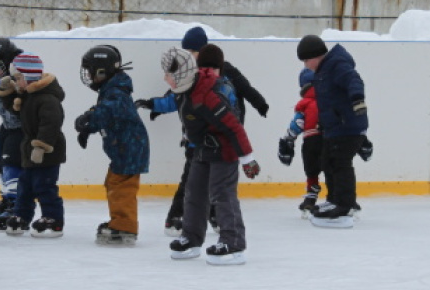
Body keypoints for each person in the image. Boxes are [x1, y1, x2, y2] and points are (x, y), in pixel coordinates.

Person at [136, 26, 269, 235]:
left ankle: (213, 216)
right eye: (185, 52)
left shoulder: (225, 70)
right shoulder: (188, 74)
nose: (187, 56)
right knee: (192, 181)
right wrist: (155, 106)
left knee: (217, 182)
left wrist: (260, 104)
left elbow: (245, 88)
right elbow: (174, 97)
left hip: (224, 138)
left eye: (191, 51)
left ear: (202, 50)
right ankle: (176, 217)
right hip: (196, 140)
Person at [160, 45, 260, 266]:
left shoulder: (208, 96)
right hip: (201, 150)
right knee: (194, 193)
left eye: (168, 74)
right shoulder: (184, 91)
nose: (165, 78)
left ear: (181, 74)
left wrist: (247, 159)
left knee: (222, 195)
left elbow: (234, 127)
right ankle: (192, 239)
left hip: (225, 152)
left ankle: (233, 242)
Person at [75, 45, 150, 246]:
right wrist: (88, 123)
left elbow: (106, 112)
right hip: (124, 148)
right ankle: (119, 221)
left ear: (102, 71)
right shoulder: (113, 88)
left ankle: (125, 226)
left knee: (121, 187)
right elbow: (103, 109)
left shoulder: (116, 92)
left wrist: (88, 123)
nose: (89, 76)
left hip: (130, 149)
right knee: (113, 183)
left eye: (91, 71)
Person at [296, 34, 371, 228]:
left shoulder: (336, 65)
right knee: (326, 161)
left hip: (348, 125)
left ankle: (344, 206)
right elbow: (328, 101)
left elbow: (353, 79)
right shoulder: (323, 71)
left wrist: (357, 100)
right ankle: (334, 199)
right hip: (334, 127)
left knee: (340, 163)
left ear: (316, 55)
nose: (306, 65)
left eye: (306, 60)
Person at [0, 52, 67, 237]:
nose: (17, 82)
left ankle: (54, 220)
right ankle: (22, 217)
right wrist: (7, 92)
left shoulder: (47, 99)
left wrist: (41, 146)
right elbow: (15, 109)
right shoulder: (28, 95)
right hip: (29, 151)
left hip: (47, 152)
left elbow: (51, 124)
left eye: (18, 78)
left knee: (45, 187)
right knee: (25, 187)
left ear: (29, 77)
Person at [0, 37, 25, 229]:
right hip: (7, 126)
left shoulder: (21, 73)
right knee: (1, 163)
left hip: (22, 128)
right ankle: (6, 200)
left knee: (12, 163)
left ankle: (16, 205)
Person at [277, 68, 324, 217]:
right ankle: (339, 197)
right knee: (334, 169)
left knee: (311, 170)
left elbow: (297, 124)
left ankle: (311, 195)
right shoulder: (329, 100)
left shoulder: (304, 104)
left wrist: (288, 139)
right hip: (330, 139)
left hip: (311, 141)